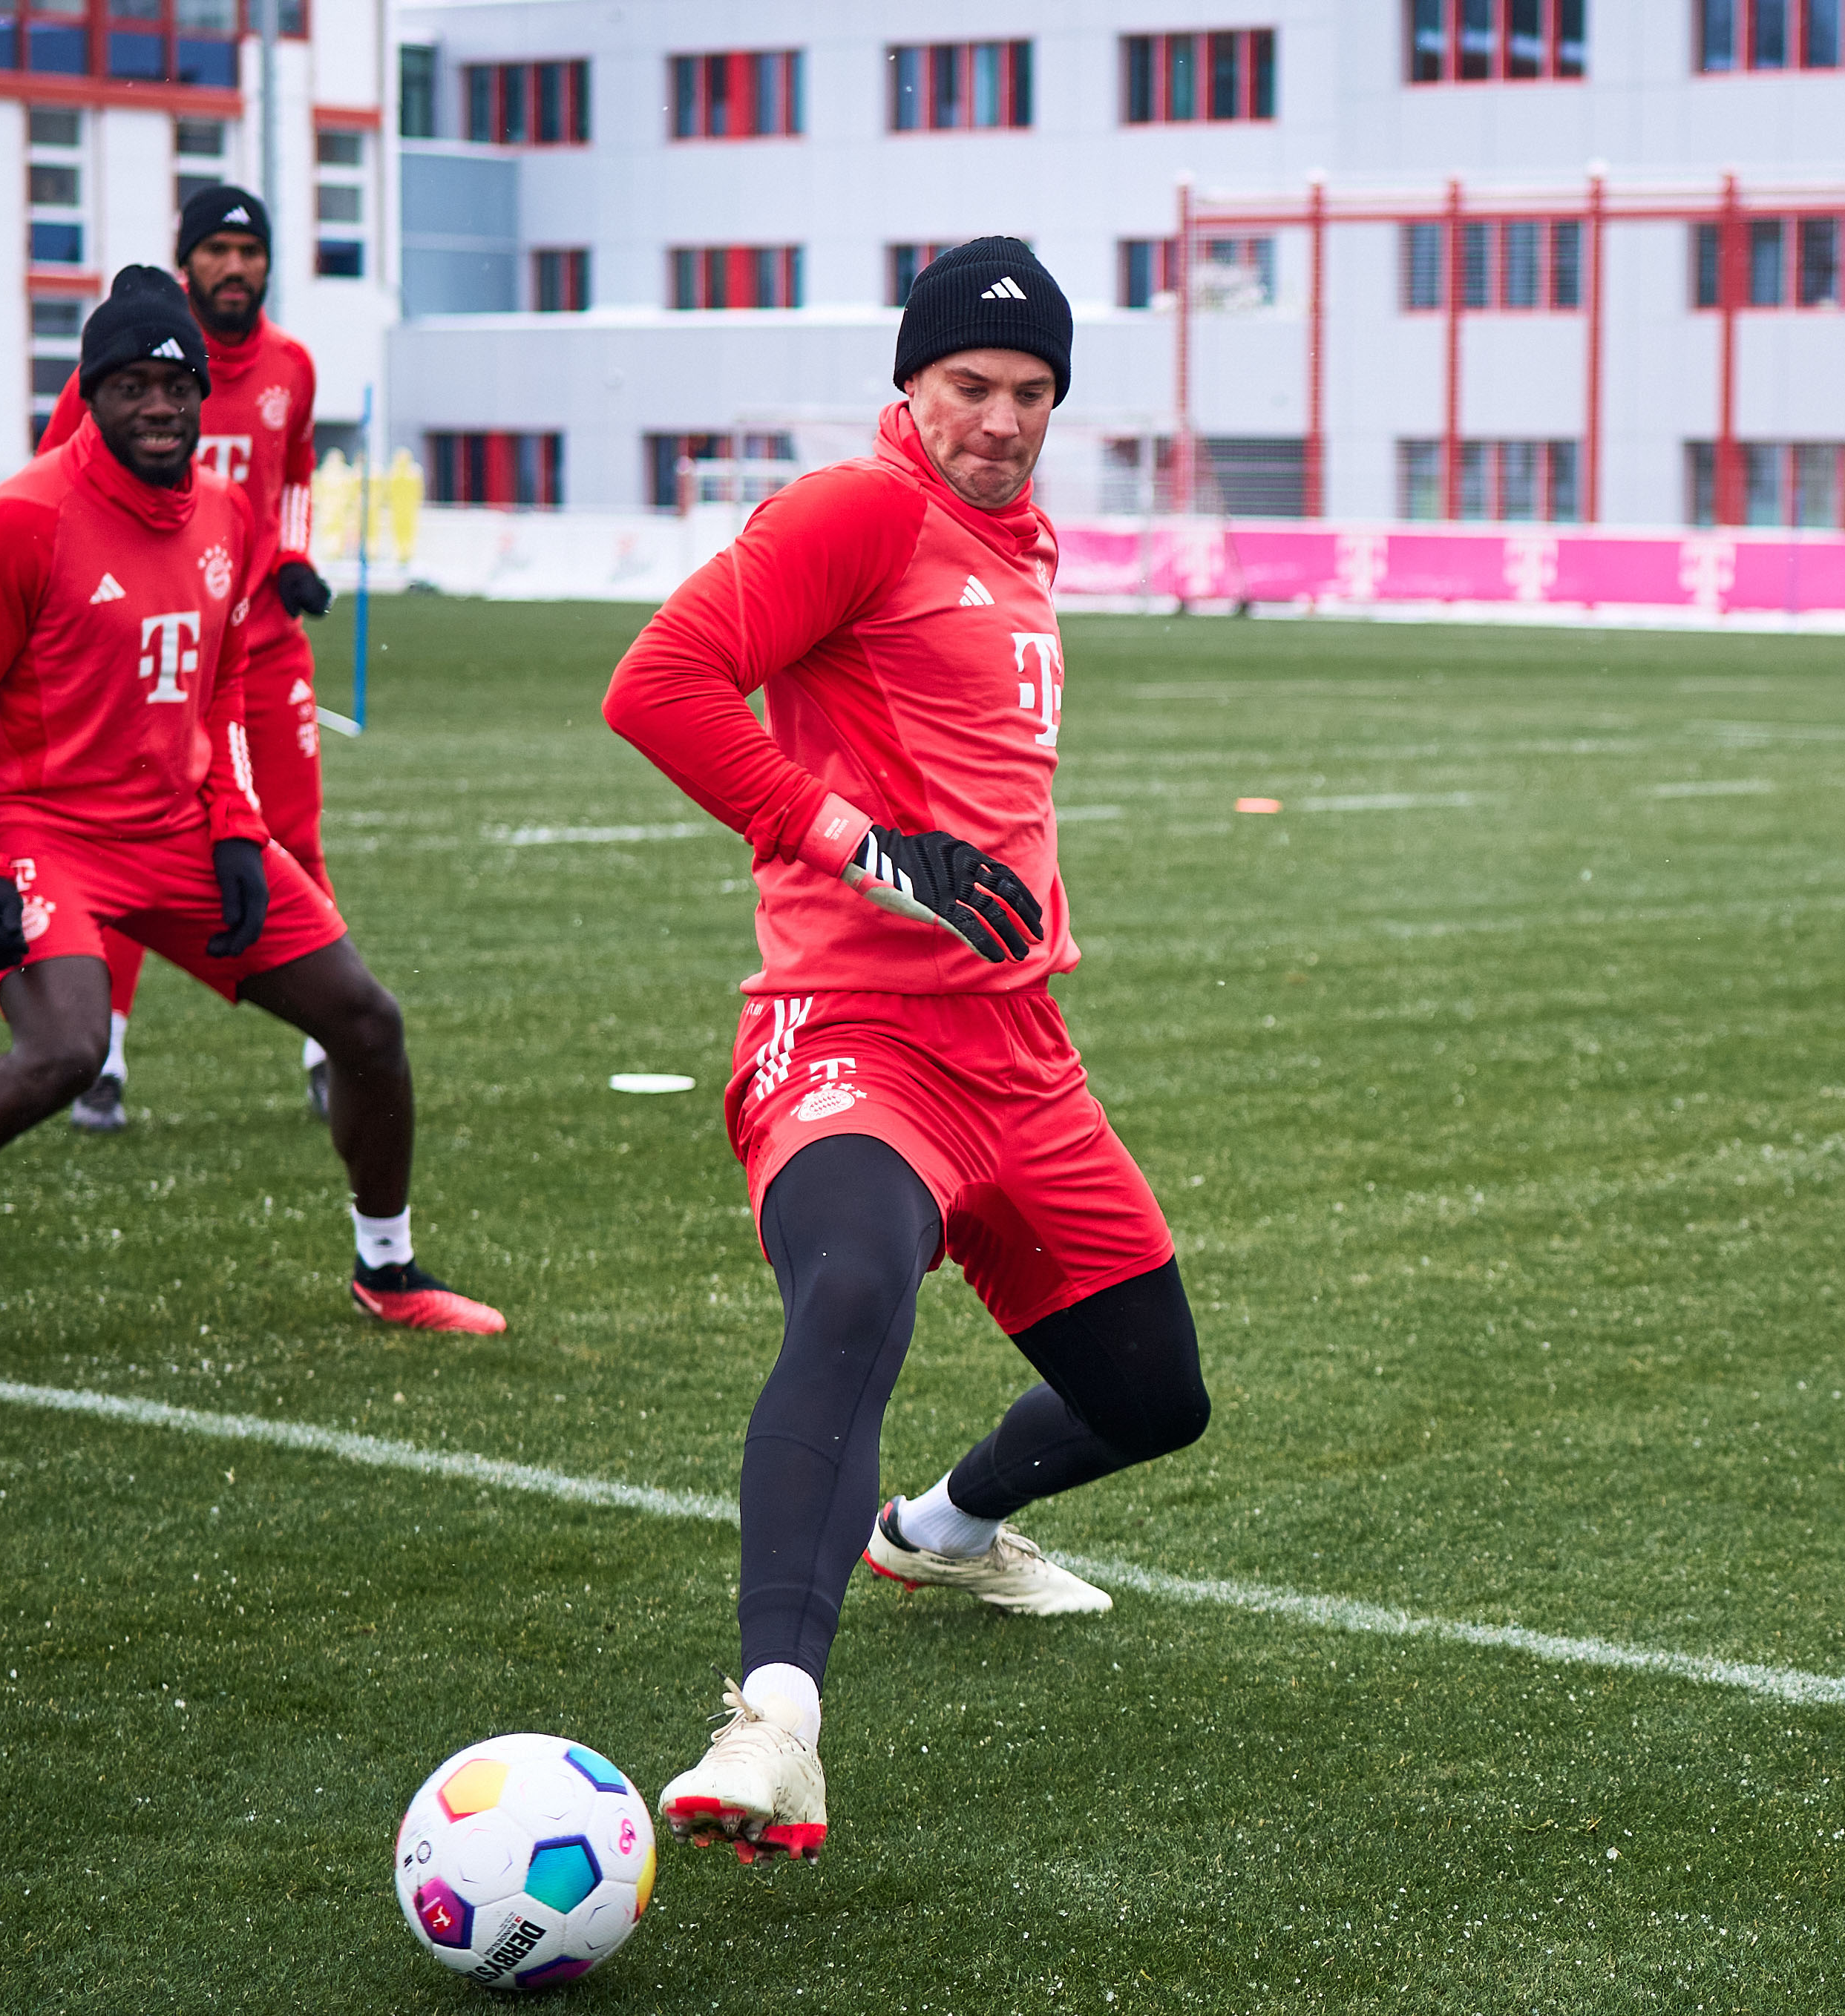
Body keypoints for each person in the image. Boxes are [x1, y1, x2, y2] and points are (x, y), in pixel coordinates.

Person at [601, 240, 1210, 1867]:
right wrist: (862, 842)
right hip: (850, 1031)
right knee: (857, 1286)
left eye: (1029, 393)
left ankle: (940, 1530)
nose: (999, 420)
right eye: (969, 388)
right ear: (911, 386)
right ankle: (775, 1715)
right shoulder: (853, 509)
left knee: (1155, 1396)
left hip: (1021, 1048)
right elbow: (656, 684)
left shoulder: (1024, 545)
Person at [0, 269, 499, 1385]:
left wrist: (232, 829)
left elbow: (215, 687)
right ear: (92, 393)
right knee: (64, 1050)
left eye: (176, 383)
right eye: (131, 385)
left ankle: (386, 1269)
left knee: (366, 1022)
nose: (158, 404)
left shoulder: (225, 510)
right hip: (43, 828)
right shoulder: (22, 519)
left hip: (175, 830)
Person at [38, 186, 338, 1131]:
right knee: (125, 848)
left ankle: (332, 1044)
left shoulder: (294, 365)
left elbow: (292, 474)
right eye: (216, 250)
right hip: (158, 651)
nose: (235, 268)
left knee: (294, 834)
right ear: (186, 263)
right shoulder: (124, 366)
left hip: (264, 647)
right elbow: (56, 489)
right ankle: (106, 1058)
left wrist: (288, 558)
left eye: (251, 252)